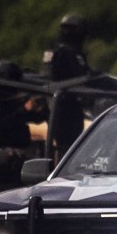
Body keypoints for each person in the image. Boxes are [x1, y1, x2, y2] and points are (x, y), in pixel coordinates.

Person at [45, 14, 90, 162]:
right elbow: (56, 80)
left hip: (75, 109)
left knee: (75, 145)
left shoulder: (77, 54)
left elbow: (86, 75)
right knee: (66, 149)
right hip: (64, 108)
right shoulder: (61, 53)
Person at [0, 61, 49, 153]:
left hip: (20, 144)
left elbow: (30, 118)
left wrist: (38, 110)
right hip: (3, 149)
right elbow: (0, 124)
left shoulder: (9, 98)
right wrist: (23, 109)